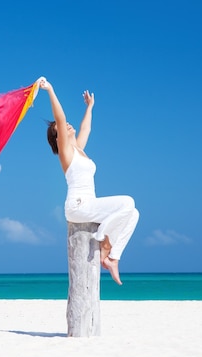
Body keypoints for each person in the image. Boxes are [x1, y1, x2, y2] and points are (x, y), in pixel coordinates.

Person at [40, 78, 139, 285]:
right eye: (61, 127)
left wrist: (90, 107)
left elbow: (86, 129)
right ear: (58, 138)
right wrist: (50, 90)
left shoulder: (79, 150)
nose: (67, 125)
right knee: (128, 202)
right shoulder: (66, 152)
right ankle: (103, 239)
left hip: (88, 204)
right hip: (77, 206)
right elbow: (60, 117)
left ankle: (112, 257)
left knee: (134, 213)